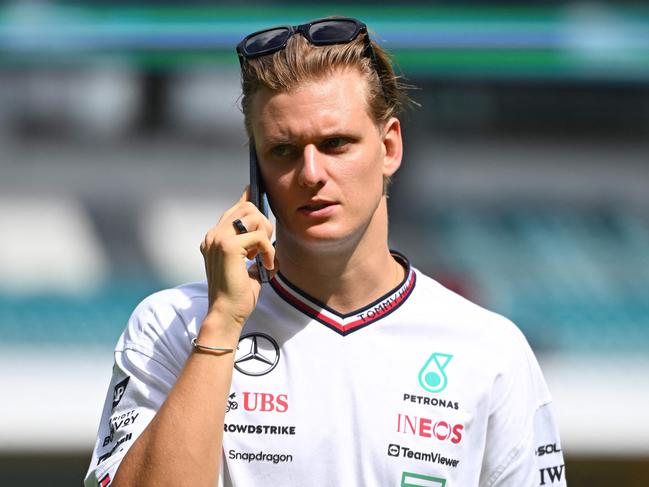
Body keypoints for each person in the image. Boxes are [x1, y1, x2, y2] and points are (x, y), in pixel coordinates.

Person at [84, 17, 566, 487]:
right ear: (257, 168)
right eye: (284, 151)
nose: (311, 173)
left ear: (390, 147)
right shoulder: (171, 325)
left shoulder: (491, 349)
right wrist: (222, 325)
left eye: (336, 144)